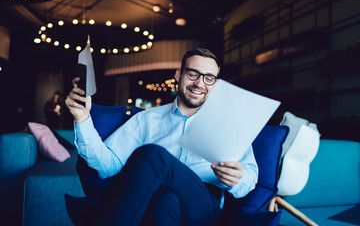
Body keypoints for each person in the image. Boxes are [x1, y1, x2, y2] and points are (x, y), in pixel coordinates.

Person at [65, 48, 258, 226]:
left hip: (203, 205)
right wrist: (82, 120)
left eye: (209, 78)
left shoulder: (227, 123)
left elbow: (250, 177)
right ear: (178, 74)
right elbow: (107, 166)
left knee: (152, 154)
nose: (200, 83)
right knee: (164, 201)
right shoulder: (147, 119)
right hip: (157, 202)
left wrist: (237, 179)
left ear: (215, 84)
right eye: (193, 74)